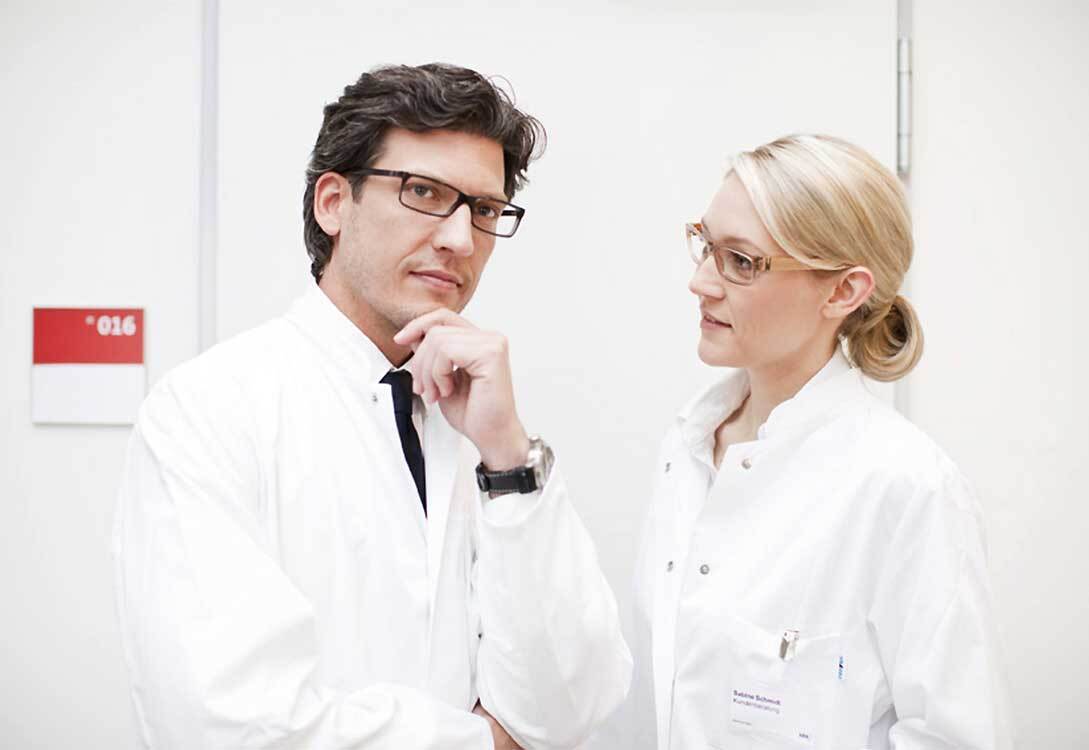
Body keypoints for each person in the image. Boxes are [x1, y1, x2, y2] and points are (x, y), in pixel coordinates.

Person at [113, 63, 631, 750]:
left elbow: (575, 701)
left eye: (483, 210)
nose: (460, 239)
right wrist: (483, 743)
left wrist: (508, 460)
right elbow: (224, 723)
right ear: (333, 202)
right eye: (423, 192)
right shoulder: (209, 409)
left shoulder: (481, 426)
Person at [627, 135, 1012, 749]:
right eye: (705, 244)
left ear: (842, 292)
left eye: (741, 261)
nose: (700, 283)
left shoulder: (909, 487)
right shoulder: (688, 447)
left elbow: (957, 737)